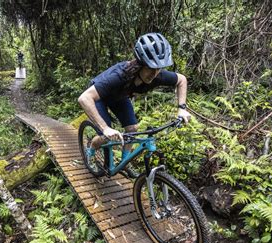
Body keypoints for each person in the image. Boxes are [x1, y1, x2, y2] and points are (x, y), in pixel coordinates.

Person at [78, 32, 191, 177]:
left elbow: (182, 80)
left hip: (119, 96)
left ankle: (125, 161)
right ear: (140, 65)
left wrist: (182, 109)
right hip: (98, 97)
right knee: (105, 136)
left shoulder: (158, 76)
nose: (154, 73)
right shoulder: (119, 75)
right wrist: (105, 128)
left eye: (158, 69)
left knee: (132, 128)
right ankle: (91, 149)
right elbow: (84, 98)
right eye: (150, 68)